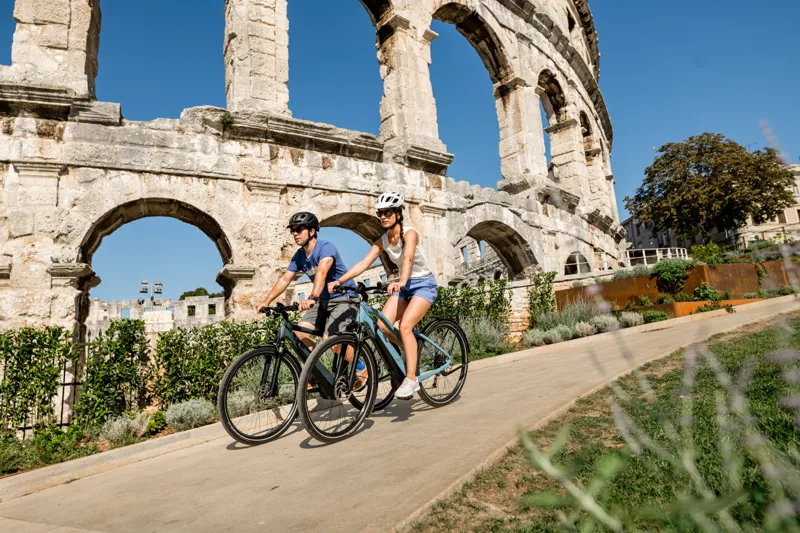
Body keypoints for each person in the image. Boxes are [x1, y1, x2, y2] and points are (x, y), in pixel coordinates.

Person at [329, 191, 438, 400]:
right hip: (404, 286)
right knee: (382, 325)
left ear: (398, 213)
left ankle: (412, 379)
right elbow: (363, 263)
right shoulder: (383, 240)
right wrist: (339, 281)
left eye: (388, 212)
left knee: (405, 326)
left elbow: (407, 259)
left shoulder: (410, 234)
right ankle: (409, 348)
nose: (383, 217)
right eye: (380, 213)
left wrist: (402, 281)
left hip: (423, 284)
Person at [256, 212, 366, 386]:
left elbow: (322, 272)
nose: (295, 234)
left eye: (299, 229)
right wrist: (266, 301)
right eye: (293, 230)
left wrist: (312, 297)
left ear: (312, 231)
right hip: (323, 301)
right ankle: (317, 371)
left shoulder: (325, 248)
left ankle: (361, 367)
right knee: (299, 332)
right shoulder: (299, 256)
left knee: (330, 339)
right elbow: (285, 279)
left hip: (345, 298)